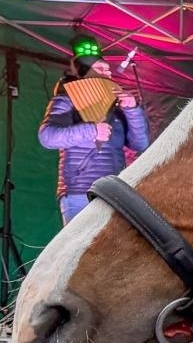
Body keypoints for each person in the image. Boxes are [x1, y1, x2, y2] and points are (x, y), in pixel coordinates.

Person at [39, 53, 151, 224]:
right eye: (100, 69)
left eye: (108, 70)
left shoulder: (116, 106)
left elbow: (140, 143)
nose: (108, 74)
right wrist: (92, 131)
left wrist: (132, 110)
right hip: (79, 191)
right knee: (82, 249)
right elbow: (47, 137)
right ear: (85, 73)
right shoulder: (67, 100)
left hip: (113, 190)